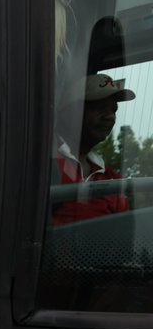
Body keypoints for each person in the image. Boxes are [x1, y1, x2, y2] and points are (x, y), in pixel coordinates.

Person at [53, 73, 135, 226]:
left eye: (113, 109)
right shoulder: (42, 159)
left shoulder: (111, 179)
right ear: (71, 112)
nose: (110, 116)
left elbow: (125, 234)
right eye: (100, 108)